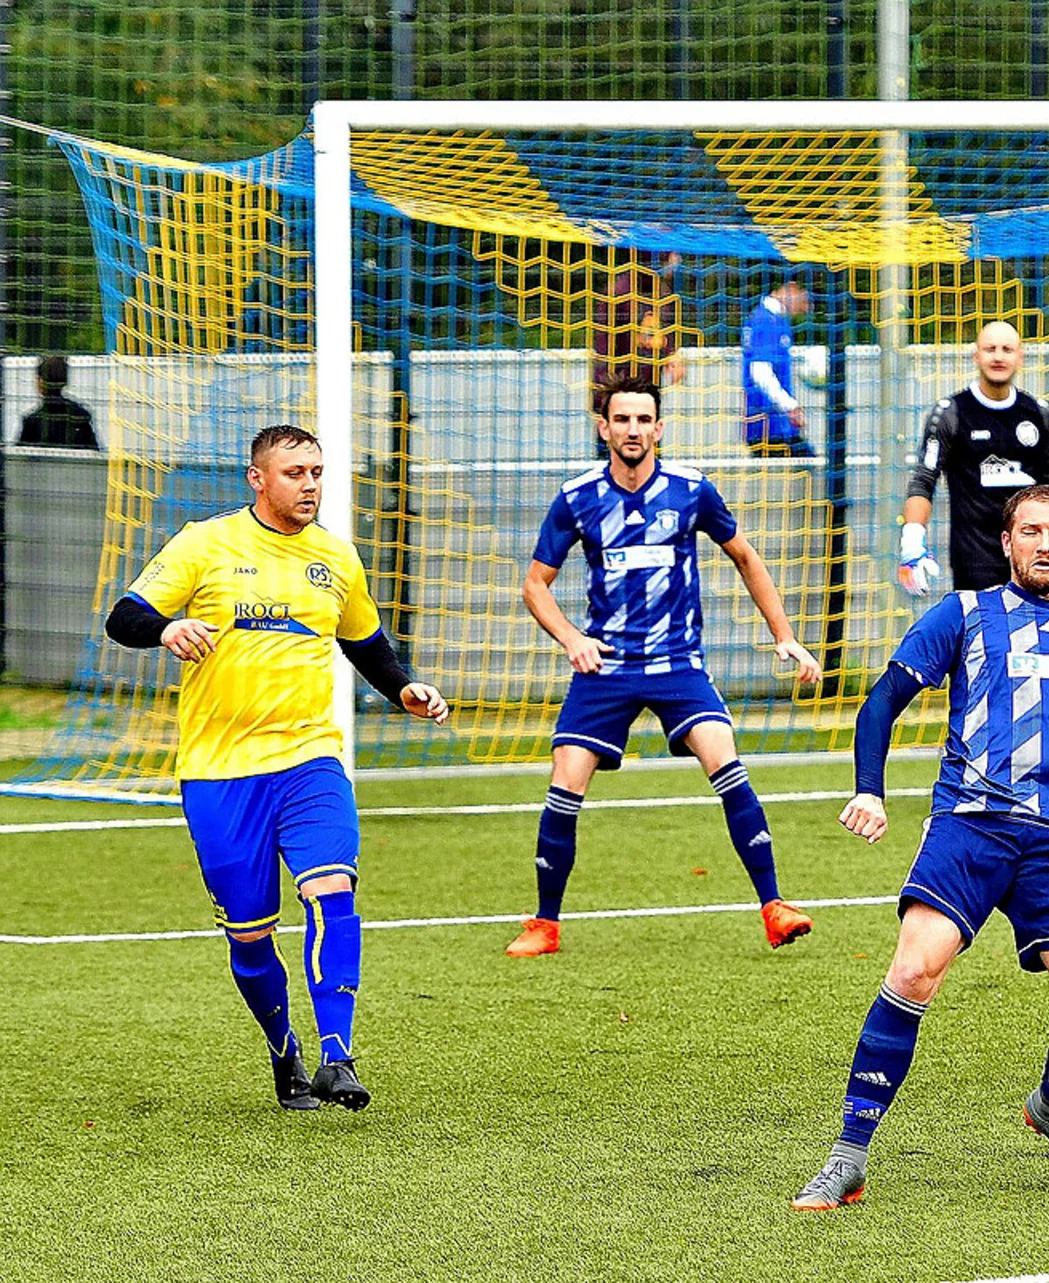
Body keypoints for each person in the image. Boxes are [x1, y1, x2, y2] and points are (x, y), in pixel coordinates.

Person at [792, 484, 1049, 1211]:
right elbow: (882, 701)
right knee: (913, 970)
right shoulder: (963, 613)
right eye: (1031, 531)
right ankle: (848, 1155)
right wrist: (870, 789)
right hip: (971, 824)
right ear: (1007, 541)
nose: (1045, 544)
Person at [103, 424, 450, 1111]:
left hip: (308, 760)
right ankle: (282, 1046)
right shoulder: (205, 543)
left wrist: (404, 688)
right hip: (220, 771)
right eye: (295, 473)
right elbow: (124, 617)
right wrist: (167, 627)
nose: (310, 484)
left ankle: (336, 1055)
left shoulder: (336, 557)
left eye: (317, 471)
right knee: (250, 935)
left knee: (333, 889)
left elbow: (367, 644)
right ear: (257, 479)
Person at [508, 375, 823, 958]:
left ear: (658, 428)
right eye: (621, 419)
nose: (632, 430)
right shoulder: (577, 497)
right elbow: (535, 585)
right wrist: (572, 638)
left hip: (678, 662)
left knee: (725, 759)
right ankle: (545, 925)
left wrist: (785, 637)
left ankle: (775, 907)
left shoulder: (691, 490)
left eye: (642, 420)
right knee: (565, 781)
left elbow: (745, 556)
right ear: (604, 428)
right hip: (606, 667)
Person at [896, 321, 1049, 598]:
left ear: (1020, 357)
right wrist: (912, 542)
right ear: (976, 356)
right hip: (975, 562)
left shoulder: (1038, 414)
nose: (998, 357)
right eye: (990, 349)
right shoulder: (951, 414)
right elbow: (924, 480)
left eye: (1007, 349)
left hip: (1033, 557)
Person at [592, 251, 685, 460]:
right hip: (619, 400)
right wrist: (603, 397)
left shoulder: (662, 293)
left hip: (648, 398)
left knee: (648, 463)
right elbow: (604, 349)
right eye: (671, 255)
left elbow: (662, 335)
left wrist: (671, 355)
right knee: (614, 463)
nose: (676, 261)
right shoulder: (618, 293)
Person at [741, 280, 814, 457]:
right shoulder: (767, 320)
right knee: (813, 467)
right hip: (770, 425)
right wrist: (790, 406)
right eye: (804, 300)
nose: (806, 308)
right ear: (791, 289)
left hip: (775, 424)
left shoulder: (772, 318)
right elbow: (760, 371)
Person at [19, 355, 99, 450]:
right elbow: (93, 451)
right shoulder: (80, 416)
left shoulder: (33, 421)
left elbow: (21, 454)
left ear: (41, 382)